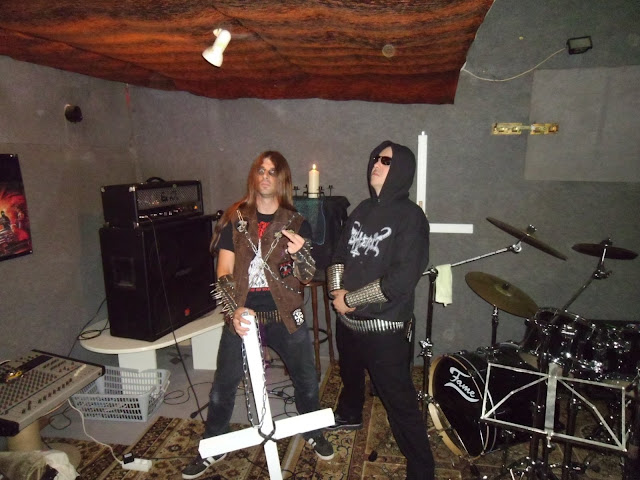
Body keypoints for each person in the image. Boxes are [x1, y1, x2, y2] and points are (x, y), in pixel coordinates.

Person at [182, 151, 334, 479]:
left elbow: (307, 276)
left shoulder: (296, 223)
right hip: (243, 312)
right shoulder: (236, 220)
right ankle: (215, 442)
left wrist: (301, 253)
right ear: (254, 177)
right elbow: (224, 270)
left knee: (307, 379)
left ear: (282, 180)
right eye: (261, 170)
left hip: (285, 312)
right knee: (223, 385)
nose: (265, 176)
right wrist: (233, 308)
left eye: (272, 171)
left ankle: (312, 430)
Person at [327, 140, 434, 480]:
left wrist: (350, 299)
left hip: (384, 328)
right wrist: (337, 292)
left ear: (401, 168)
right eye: (376, 158)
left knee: (399, 401)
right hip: (349, 322)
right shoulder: (361, 209)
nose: (376, 163)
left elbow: (400, 281)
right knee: (350, 376)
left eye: (386, 161)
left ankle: (422, 469)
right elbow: (339, 255)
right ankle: (350, 413)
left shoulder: (411, 218)